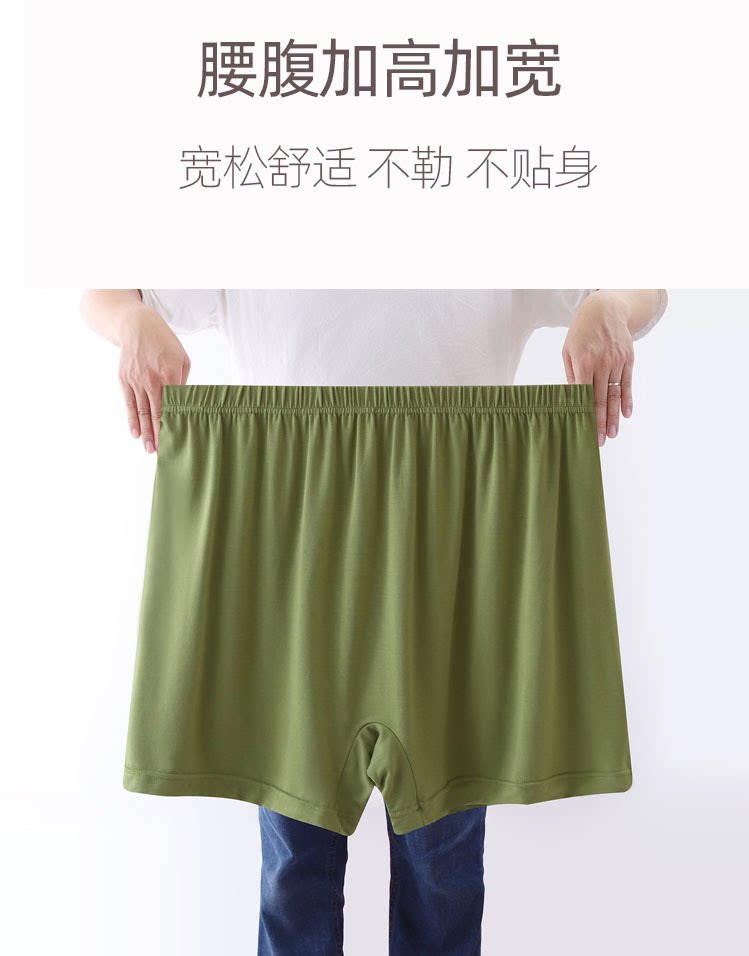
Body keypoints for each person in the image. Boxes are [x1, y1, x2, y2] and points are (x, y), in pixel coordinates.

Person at [82, 288, 667, 956]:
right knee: (294, 868)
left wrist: (610, 305)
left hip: (453, 565)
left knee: (441, 869)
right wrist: (132, 319)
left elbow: (641, 284)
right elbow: (103, 288)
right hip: (293, 567)